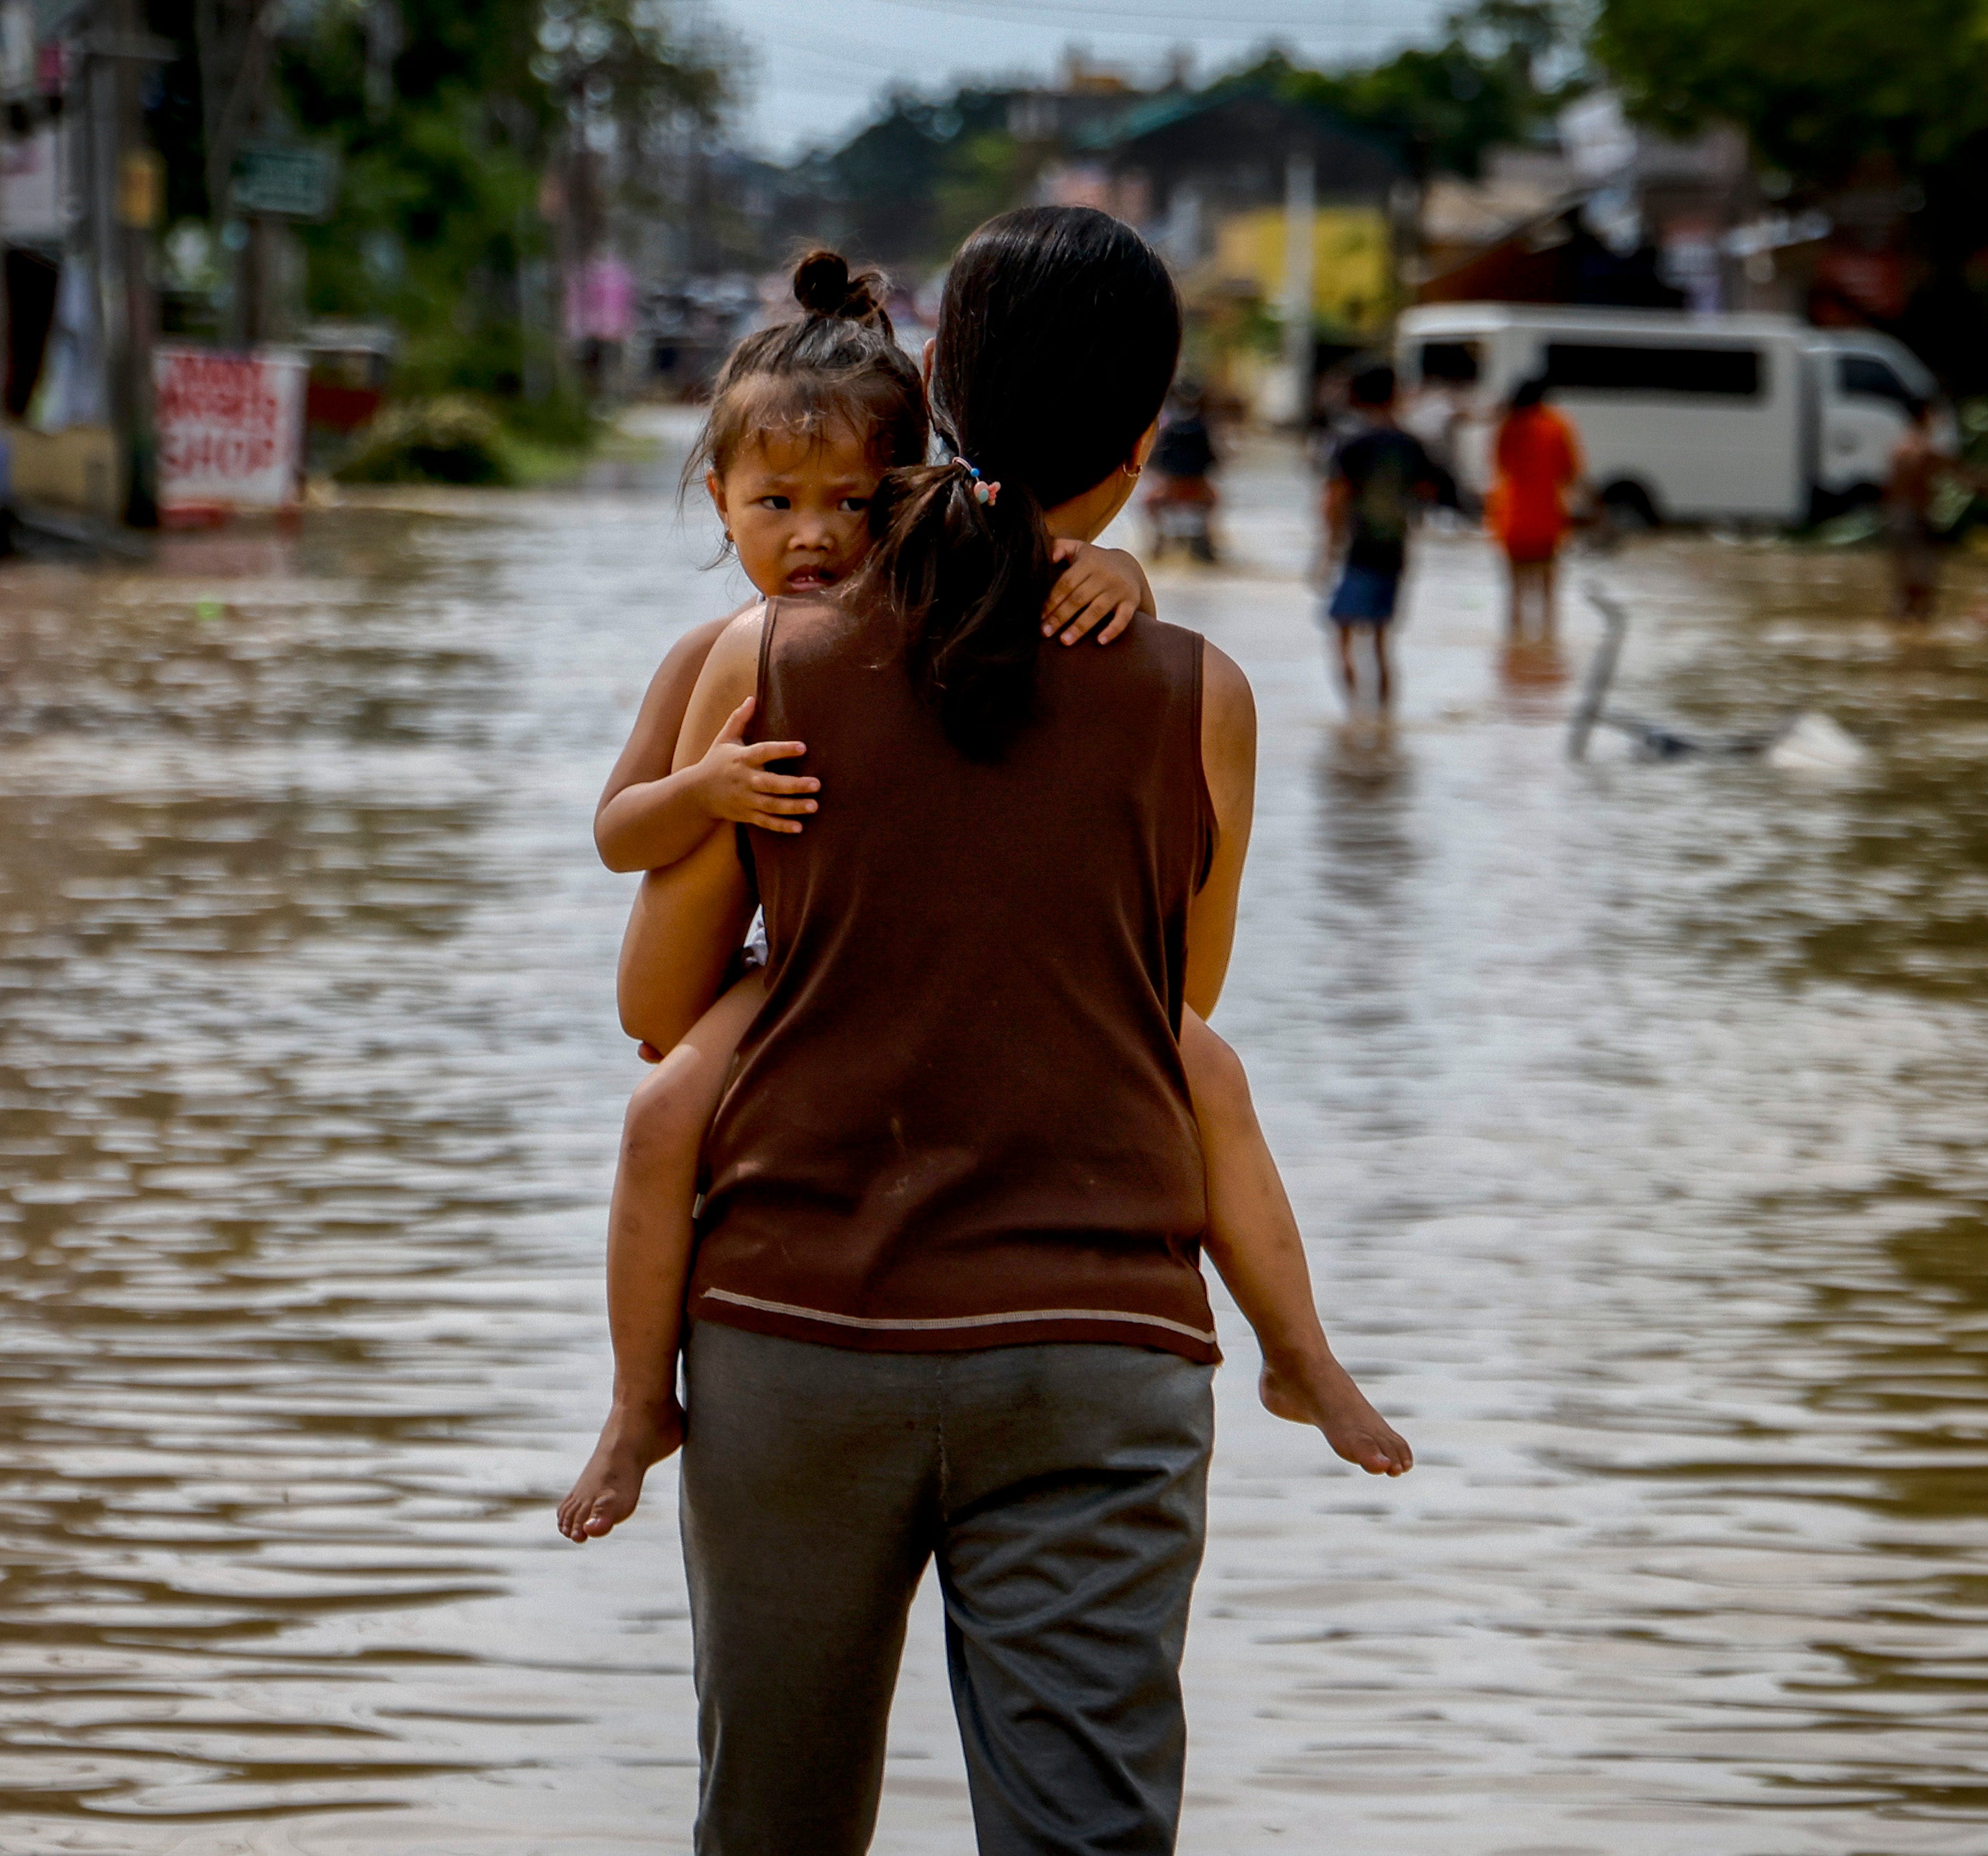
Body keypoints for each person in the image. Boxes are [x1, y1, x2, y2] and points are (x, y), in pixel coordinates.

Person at [617, 206, 1408, 1853]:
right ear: (1142, 437)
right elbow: (1172, 1007)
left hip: (793, 1328)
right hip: (1096, 1347)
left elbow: (650, 1011)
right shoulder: (1199, 696)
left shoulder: (761, 657)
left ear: (936, 401)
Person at [1320, 363, 1449, 713]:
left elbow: (1335, 502)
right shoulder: (1412, 444)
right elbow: (1427, 492)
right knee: (1381, 643)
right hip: (1395, 550)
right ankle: (1383, 719)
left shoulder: (1351, 444)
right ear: (1395, 394)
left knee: (1342, 636)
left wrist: (1327, 553)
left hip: (1359, 551)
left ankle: (1355, 717)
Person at [1487, 374, 1583, 640]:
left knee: (1515, 594)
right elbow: (1570, 471)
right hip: (1547, 518)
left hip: (1512, 518)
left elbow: (1499, 464)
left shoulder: (1507, 425)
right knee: (1548, 594)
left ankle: (1515, 649)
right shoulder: (1557, 424)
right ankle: (1547, 646)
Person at [1884, 398, 1962, 621]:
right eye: (1936, 415)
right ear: (1926, 416)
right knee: (1923, 588)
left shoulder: (1900, 448)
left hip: (1896, 520)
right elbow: (1965, 476)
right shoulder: (1924, 451)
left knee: (1906, 588)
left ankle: (1900, 640)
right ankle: (1915, 643)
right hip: (1914, 522)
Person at [1142, 379, 1220, 562]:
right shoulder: (1204, 427)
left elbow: (1154, 461)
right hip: (1198, 488)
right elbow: (1213, 460)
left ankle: (1158, 541)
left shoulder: (1168, 429)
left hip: (1170, 489)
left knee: (1148, 503)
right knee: (1215, 502)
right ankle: (1207, 540)